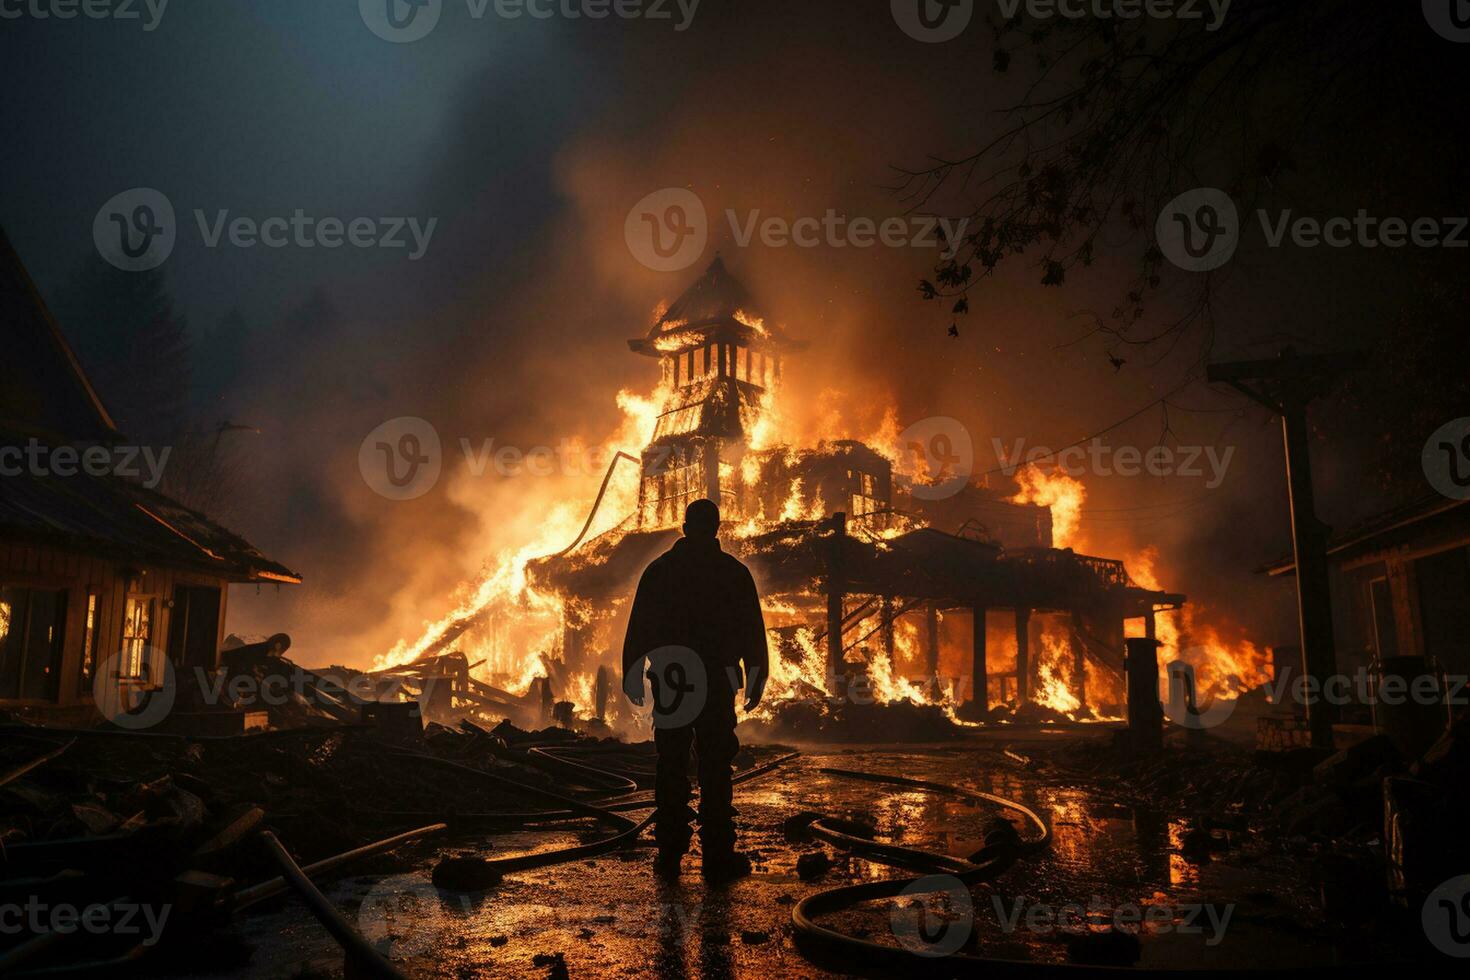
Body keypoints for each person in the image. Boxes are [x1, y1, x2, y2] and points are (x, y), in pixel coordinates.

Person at [622, 498, 768, 881]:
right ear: (716, 528)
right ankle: (717, 855)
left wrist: (633, 671)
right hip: (717, 679)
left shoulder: (660, 571)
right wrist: (757, 674)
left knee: (671, 762)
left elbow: (640, 626)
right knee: (715, 764)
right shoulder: (733, 573)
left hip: (672, 677)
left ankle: (670, 852)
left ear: (685, 528)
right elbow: (751, 629)